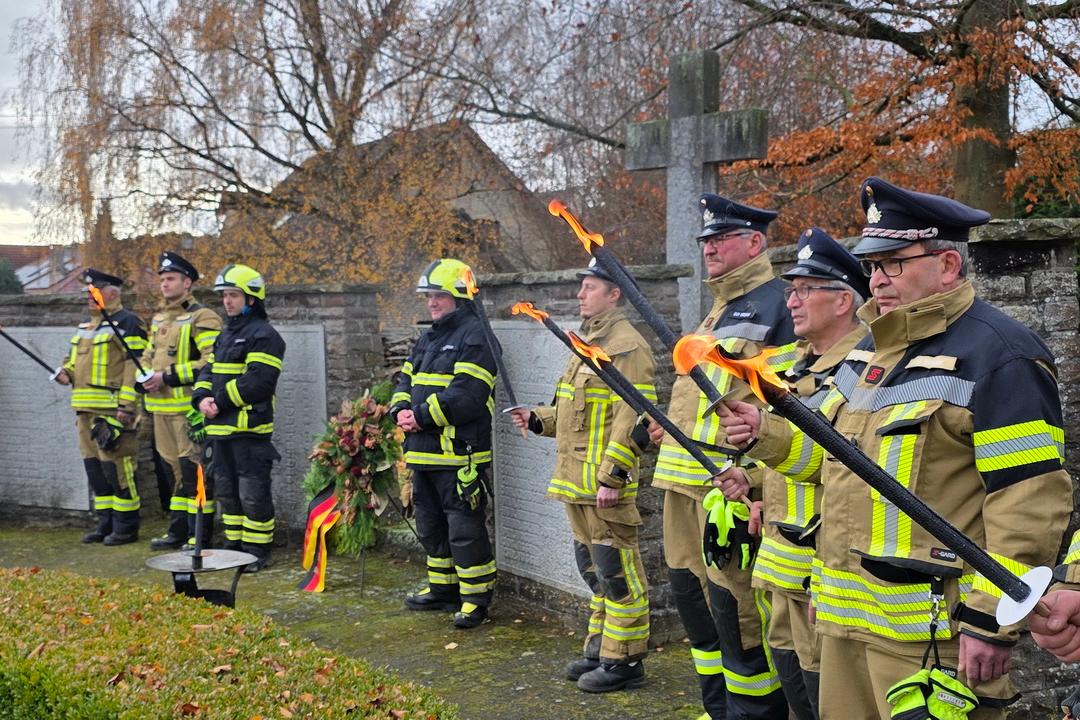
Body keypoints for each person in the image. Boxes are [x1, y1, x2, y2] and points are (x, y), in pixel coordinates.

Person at [716, 177, 1072, 718]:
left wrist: (988, 621)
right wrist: (767, 435)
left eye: (892, 264)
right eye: (873, 265)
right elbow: (833, 462)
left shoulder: (1002, 356)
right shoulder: (869, 349)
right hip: (845, 623)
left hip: (933, 638)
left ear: (947, 266)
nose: (876, 279)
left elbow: (1026, 503)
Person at [652, 194, 797, 719]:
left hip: (729, 490)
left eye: (720, 239)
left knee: (739, 613)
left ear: (755, 243)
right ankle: (719, 708)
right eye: (706, 241)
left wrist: (758, 483)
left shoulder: (778, 307)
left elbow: (789, 406)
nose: (709, 248)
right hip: (685, 485)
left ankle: (751, 711)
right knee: (696, 604)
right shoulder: (717, 308)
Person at [509, 259, 656, 693]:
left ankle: (626, 661)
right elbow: (573, 415)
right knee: (594, 571)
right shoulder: (584, 345)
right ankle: (600, 650)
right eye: (582, 287)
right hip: (575, 486)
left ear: (614, 294)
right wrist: (536, 419)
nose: (580, 294)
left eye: (590, 287)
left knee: (618, 572)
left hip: (603, 490)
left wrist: (613, 478)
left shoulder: (626, 347)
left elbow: (635, 417)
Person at [750, 228, 869, 719]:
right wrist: (755, 486)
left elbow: (849, 470)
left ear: (843, 301)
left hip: (821, 575)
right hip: (784, 566)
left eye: (803, 290)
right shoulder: (800, 367)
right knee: (796, 692)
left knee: (824, 700)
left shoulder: (860, 371)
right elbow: (792, 458)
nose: (791, 302)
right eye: (790, 290)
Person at [391, 258, 498, 630]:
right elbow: (403, 380)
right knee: (430, 526)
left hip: (459, 455)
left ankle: (476, 600)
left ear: (459, 296)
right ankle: (443, 588)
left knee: (465, 530)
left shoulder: (476, 335)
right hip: (422, 453)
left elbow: (467, 395)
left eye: (439, 295)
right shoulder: (429, 337)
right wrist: (400, 410)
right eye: (428, 296)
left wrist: (419, 416)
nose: (432, 302)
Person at [191, 264, 285, 572]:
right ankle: (234, 547)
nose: (227, 302)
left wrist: (217, 400)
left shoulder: (265, 336)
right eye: (225, 296)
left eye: (233, 295)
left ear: (252, 298)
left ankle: (256, 551)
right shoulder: (225, 335)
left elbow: (258, 381)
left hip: (249, 431)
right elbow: (208, 371)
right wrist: (201, 398)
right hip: (220, 431)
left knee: (253, 494)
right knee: (228, 493)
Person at [55, 269, 148, 545]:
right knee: (95, 470)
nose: (89, 296)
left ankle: (126, 527)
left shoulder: (129, 323)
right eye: (88, 291)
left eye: (94, 291)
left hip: (112, 411)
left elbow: (135, 365)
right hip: (84, 410)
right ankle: (105, 523)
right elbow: (74, 361)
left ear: (111, 293)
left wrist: (127, 405)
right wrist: (66, 373)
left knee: (118, 470)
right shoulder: (85, 325)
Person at [142, 252, 222, 550]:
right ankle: (177, 531)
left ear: (187, 282)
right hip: (159, 409)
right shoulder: (160, 318)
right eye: (162, 279)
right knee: (171, 472)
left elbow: (211, 362)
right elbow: (149, 354)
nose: (164, 284)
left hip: (189, 411)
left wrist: (168, 377)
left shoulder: (203, 317)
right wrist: (146, 374)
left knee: (194, 472)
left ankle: (199, 535)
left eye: (171, 278)